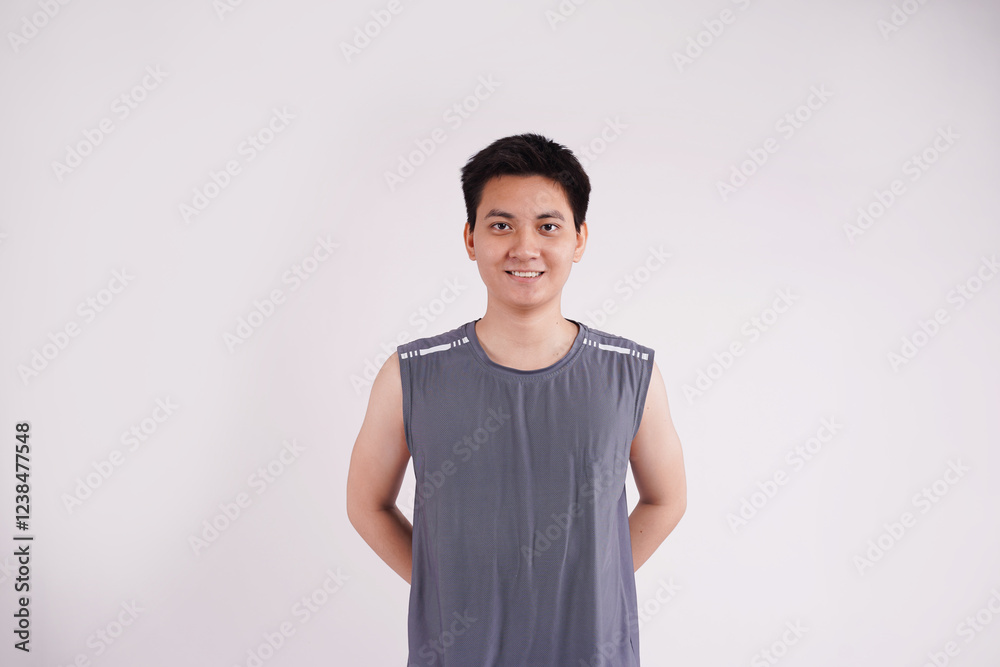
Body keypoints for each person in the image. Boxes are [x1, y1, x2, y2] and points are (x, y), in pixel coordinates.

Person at [346, 133, 686, 666]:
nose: (525, 248)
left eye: (548, 226)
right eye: (501, 225)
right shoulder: (412, 374)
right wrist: (449, 590)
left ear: (579, 239)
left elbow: (667, 499)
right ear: (470, 238)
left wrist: (595, 583)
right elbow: (366, 504)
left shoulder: (629, 373)